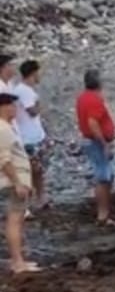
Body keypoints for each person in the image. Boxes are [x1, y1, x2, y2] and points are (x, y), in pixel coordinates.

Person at [75, 69, 115, 228]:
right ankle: (103, 215)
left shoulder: (83, 97)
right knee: (103, 177)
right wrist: (105, 143)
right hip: (96, 142)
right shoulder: (94, 100)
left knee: (106, 175)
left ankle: (105, 211)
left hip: (91, 141)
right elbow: (93, 123)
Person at [0, 94, 38, 274]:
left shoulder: (7, 127)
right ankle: (17, 262)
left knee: (17, 220)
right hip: (14, 181)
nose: (14, 109)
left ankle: (19, 260)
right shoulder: (3, 129)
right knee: (14, 220)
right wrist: (17, 182)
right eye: (11, 106)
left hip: (17, 180)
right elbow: (4, 160)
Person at [13, 61, 49, 213]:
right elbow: (32, 111)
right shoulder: (25, 91)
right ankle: (28, 203)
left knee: (37, 170)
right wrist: (40, 105)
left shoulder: (23, 90)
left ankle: (40, 197)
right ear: (33, 73)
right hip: (29, 138)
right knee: (32, 170)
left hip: (33, 136)